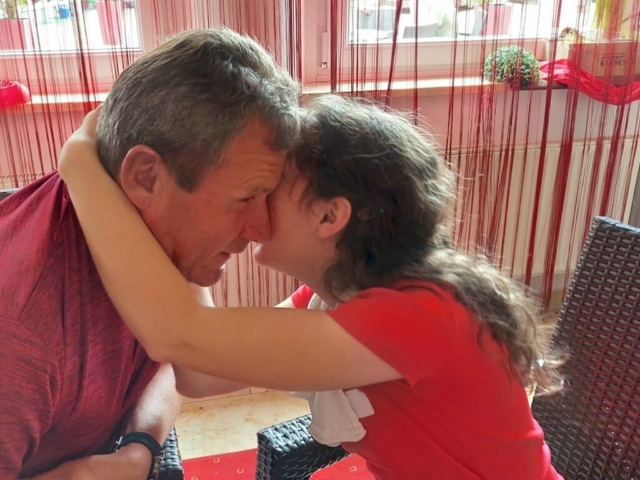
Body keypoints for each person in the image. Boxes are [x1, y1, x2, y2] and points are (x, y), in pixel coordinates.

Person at [58, 95, 564, 479]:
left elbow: (179, 334)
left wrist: (79, 162)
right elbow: (200, 371)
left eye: (266, 192)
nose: (253, 211)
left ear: (328, 216)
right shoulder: (335, 296)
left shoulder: (419, 315)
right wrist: (188, 238)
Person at [0, 28, 300, 479]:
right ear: (145, 178)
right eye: (244, 198)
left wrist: (140, 446)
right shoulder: (22, 337)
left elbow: (184, 355)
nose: (262, 230)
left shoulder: (148, 231)